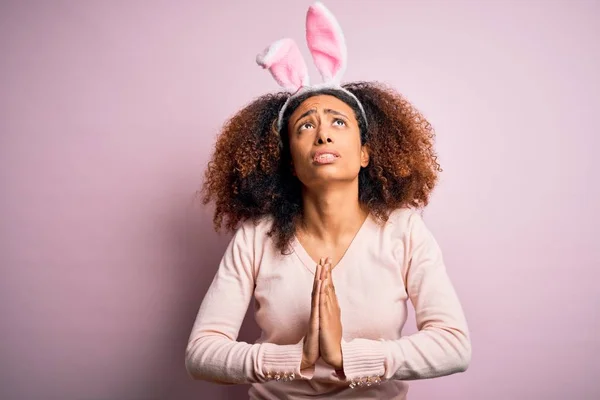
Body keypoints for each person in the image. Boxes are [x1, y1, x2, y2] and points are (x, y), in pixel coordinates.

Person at [185, 2, 471, 399]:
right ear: (289, 162)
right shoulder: (255, 237)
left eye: (338, 121)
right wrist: (295, 359)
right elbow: (200, 353)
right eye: (306, 126)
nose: (323, 134)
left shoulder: (403, 230)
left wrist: (346, 358)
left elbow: (454, 346)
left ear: (366, 153)